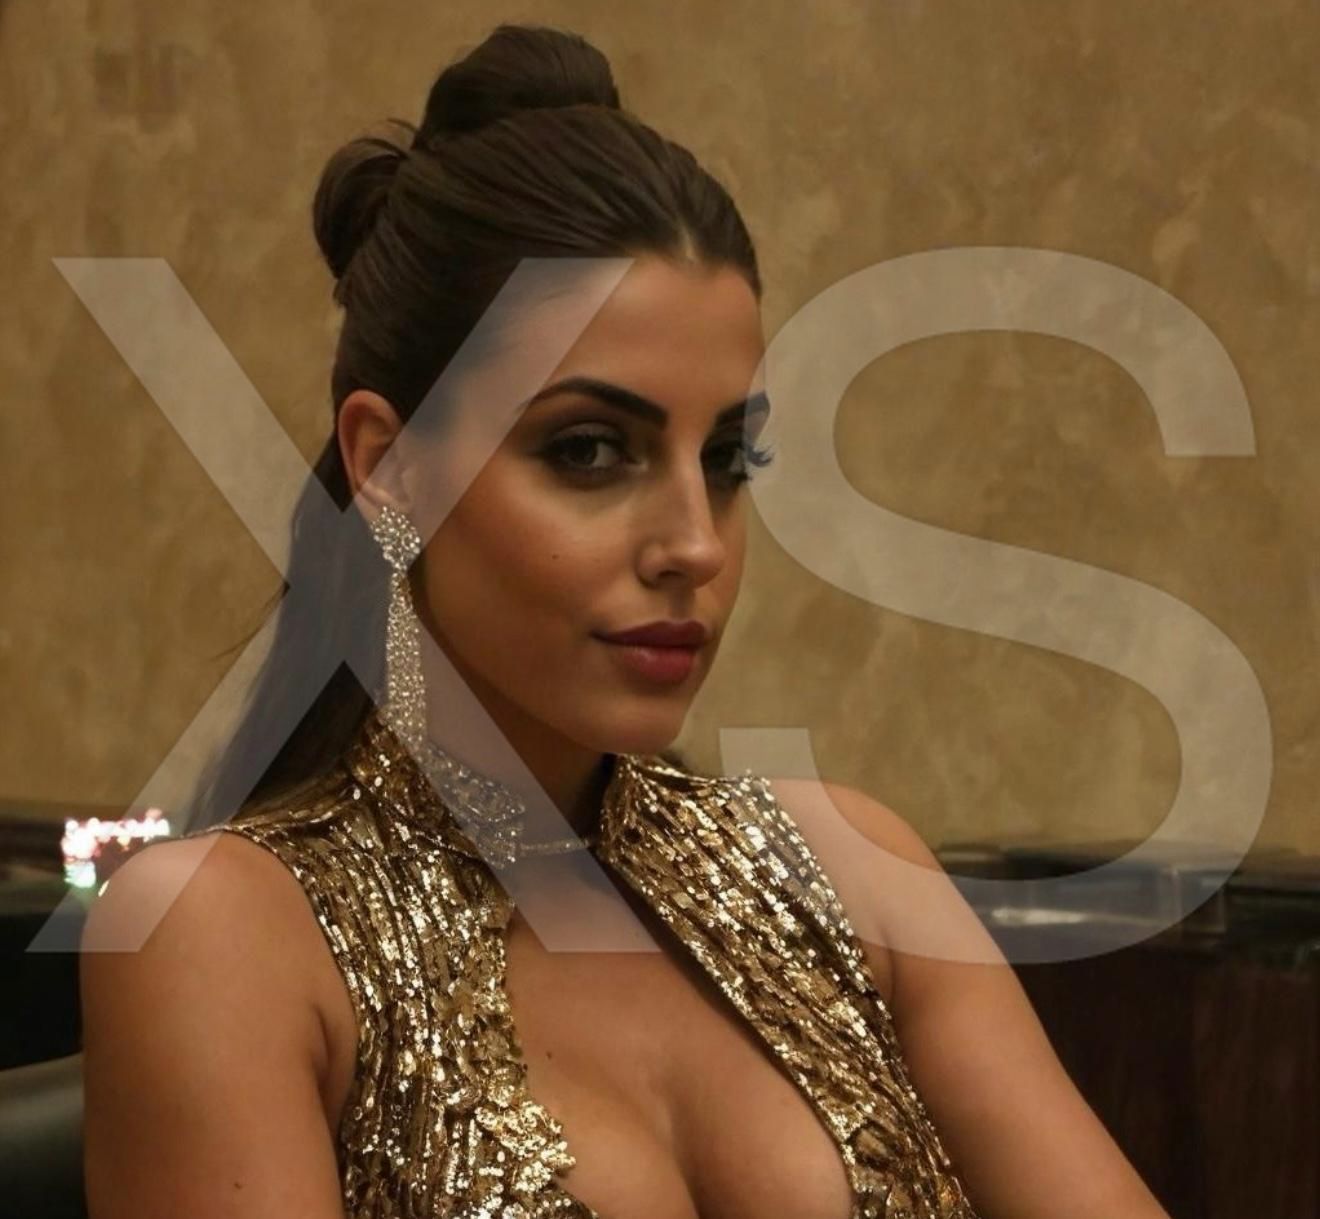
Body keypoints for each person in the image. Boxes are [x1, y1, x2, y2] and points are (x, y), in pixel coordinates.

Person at [78, 23, 1170, 1219]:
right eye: (590, 450)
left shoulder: (854, 874)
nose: (695, 543)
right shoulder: (226, 935)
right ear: (389, 466)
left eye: (727, 458)